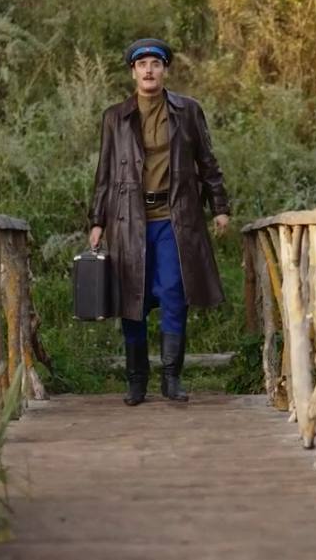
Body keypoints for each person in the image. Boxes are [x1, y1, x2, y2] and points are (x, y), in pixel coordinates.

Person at [88, 38, 231, 406]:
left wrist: (219, 207)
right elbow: (104, 173)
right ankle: (136, 381)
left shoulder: (188, 110)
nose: (149, 70)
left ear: (165, 69)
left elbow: (207, 162)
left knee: (173, 293)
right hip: (128, 220)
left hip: (175, 217)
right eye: (142, 64)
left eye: (155, 63)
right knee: (131, 298)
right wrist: (97, 220)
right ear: (133, 72)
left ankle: (171, 377)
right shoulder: (115, 117)